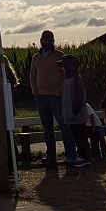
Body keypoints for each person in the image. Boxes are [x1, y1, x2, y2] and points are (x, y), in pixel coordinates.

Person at [29, 30, 76, 165]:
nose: (47, 42)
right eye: (45, 40)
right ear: (41, 41)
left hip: (56, 97)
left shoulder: (60, 56)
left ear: (53, 41)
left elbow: (66, 75)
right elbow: (32, 75)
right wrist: (35, 91)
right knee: (47, 127)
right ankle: (51, 155)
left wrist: (58, 91)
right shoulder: (36, 57)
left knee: (64, 125)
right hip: (41, 97)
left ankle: (71, 154)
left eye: (50, 40)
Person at [58, 55, 91, 167]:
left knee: (80, 136)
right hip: (71, 115)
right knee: (77, 136)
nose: (62, 68)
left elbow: (78, 99)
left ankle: (84, 157)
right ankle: (82, 156)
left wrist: (72, 113)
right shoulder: (69, 79)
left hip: (76, 115)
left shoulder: (76, 80)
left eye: (64, 66)